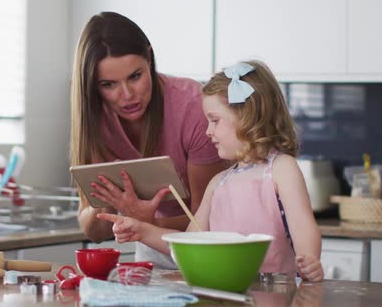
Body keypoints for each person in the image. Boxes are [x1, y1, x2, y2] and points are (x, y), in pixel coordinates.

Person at [98, 60, 324, 281]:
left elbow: (303, 226)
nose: (208, 131)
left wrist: (309, 259)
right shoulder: (218, 183)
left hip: (276, 299)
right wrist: (142, 231)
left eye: (214, 121)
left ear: (248, 117)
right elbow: (190, 243)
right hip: (226, 297)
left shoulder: (281, 169)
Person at [70, 12, 227, 269]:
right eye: (109, 84)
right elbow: (94, 232)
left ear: (150, 58)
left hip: (207, 250)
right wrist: (110, 199)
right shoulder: (95, 120)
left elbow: (205, 224)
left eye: (135, 76)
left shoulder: (192, 107)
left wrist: (148, 222)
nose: (128, 95)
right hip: (150, 248)